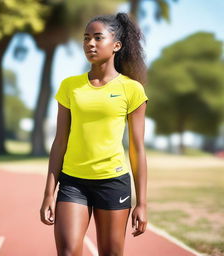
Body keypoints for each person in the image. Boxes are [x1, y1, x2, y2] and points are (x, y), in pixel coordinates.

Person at [40, 12, 149, 256]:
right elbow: (60, 142)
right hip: (72, 182)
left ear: (116, 45)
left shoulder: (132, 89)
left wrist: (141, 202)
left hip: (113, 183)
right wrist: (49, 193)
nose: (90, 43)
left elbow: (137, 148)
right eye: (86, 38)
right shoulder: (70, 86)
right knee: (68, 251)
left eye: (98, 38)